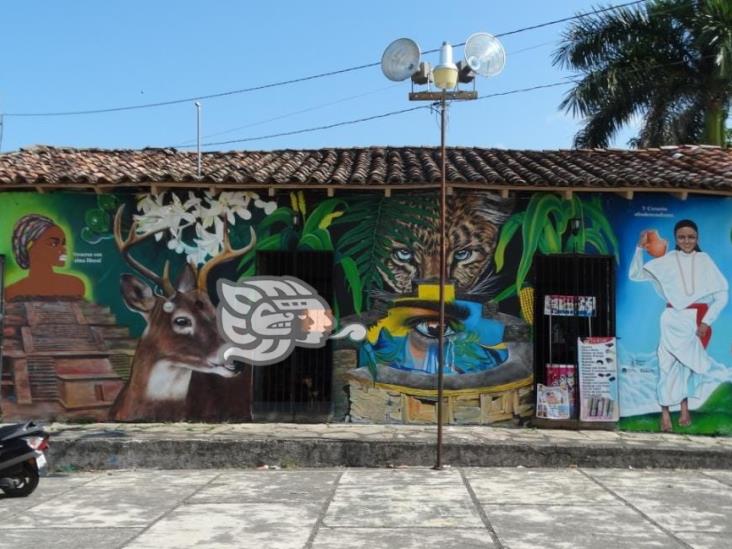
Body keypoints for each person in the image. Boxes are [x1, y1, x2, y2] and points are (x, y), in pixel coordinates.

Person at [629, 219, 728, 431]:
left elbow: (722, 295)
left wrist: (706, 321)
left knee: (687, 368)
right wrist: (639, 248)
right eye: (682, 237)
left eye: (691, 237)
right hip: (671, 318)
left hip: (694, 321)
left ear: (697, 238)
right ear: (676, 238)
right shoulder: (667, 260)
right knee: (667, 366)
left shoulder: (705, 260)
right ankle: (665, 414)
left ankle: (684, 410)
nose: (686, 241)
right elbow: (636, 274)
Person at [4, 214, 85, 301]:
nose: (63, 250)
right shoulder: (12, 292)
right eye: (53, 244)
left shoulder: (75, 285)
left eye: (63, 244)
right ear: (29, 247)